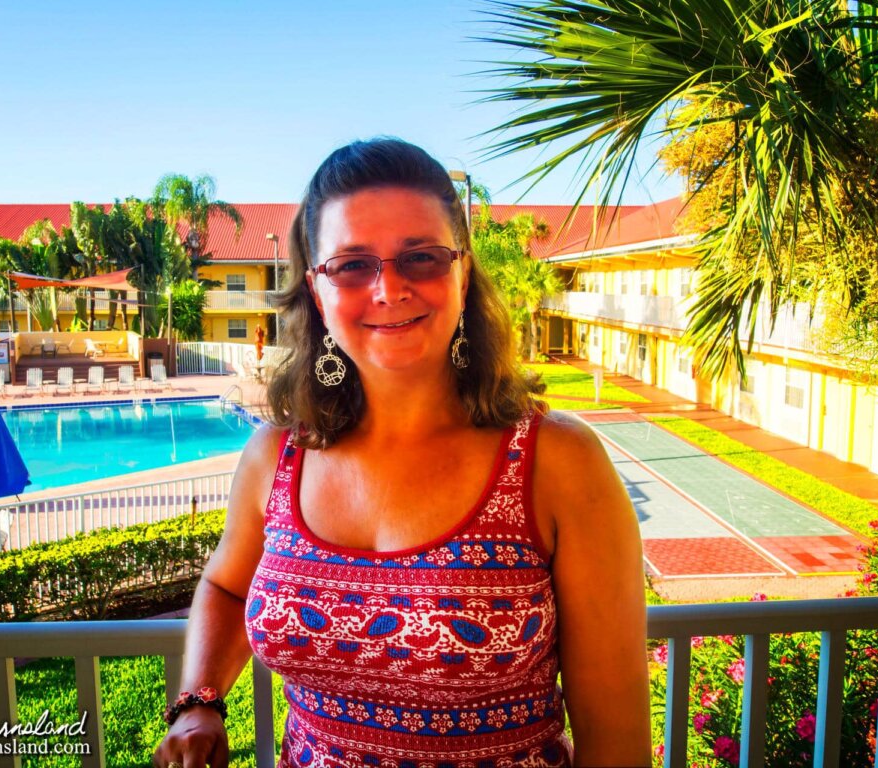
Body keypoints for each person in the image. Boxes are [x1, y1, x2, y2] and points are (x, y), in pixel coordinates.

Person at [153, 138, 650, 768]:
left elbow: (618, 743)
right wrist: (200, 700)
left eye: (421, 257)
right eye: (353, 265)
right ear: (316, 289)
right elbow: (226, 586)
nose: (389, 289)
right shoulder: (275, 458)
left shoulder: (555, 462)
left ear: (463, 273)